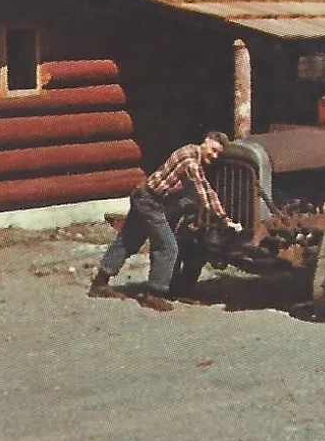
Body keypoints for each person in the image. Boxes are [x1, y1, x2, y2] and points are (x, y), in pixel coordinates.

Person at [91, 131, 243, 309]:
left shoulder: (192, 154)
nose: (214, 155)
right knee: (168, 247)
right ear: (206, 141)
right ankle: (153, 294)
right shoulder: (190, 160)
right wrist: (226, 220)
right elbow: (205, 192)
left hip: (144, 196)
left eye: (218, 154)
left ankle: (99, 283)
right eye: (214, 150)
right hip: (150, 202)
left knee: (128, 240)